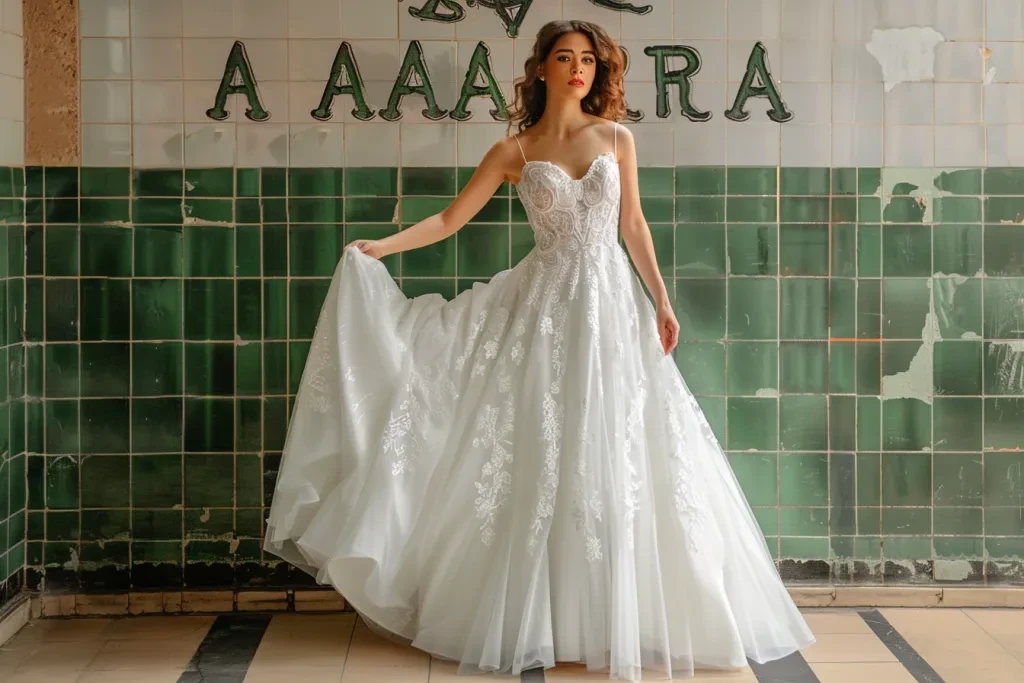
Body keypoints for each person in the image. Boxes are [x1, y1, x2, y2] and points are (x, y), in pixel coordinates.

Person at [264, 19, 814, 681]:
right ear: (542, 69)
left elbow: (632, 224)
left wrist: (662, 300)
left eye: (588, 59)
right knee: (541, 449)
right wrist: (380, 248)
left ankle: (618, 616)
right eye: (565, 57)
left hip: (612, 306)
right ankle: (545, 618)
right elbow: (448, 219)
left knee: (622, 449)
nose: (578, 68)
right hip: (545, 310)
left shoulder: (616, 138)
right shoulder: (514, 150)